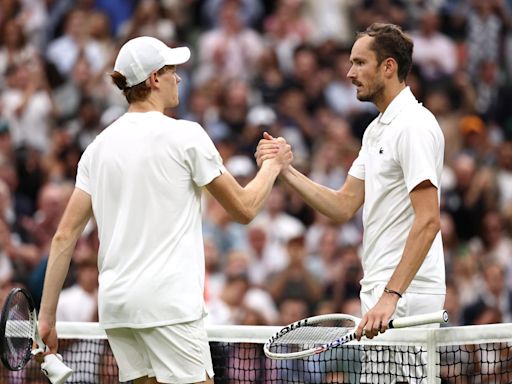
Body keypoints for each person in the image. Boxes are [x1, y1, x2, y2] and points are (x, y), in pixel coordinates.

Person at [37, 36, 292, 384]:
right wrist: (273, 165)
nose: (179, 78)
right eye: (172, 70)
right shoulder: (186, 135)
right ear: (154, 78)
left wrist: (47, 319)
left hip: (118, 310)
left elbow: (64, 236)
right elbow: (245, 209)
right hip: (167, 307)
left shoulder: (97, 148)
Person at [257, 23, 445, 383]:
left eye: (359, 63)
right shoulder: (376, 129)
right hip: (381, 291)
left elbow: (429, 221)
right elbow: (343, 205)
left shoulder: (414, 127)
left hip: (406, 294)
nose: (349, 73)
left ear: (388, 67)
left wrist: (392, 296)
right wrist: (285, 170)